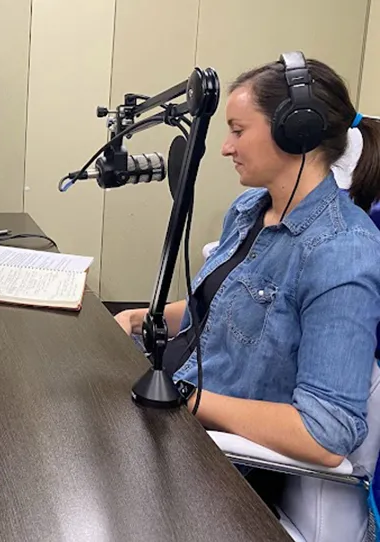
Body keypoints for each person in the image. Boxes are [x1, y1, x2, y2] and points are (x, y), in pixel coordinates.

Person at [115, 53, 380, 470]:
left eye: (237, 130)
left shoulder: (343, 252)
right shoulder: (249, 209)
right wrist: (139, 318)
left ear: (297, 132)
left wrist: (186, 396)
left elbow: (327, 431)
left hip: (211, 462)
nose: (225, 148)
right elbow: (222, 306)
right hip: (169, 401)